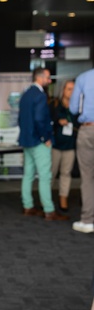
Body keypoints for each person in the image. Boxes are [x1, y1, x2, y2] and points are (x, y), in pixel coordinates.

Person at [18, 67, 69, 221]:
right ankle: (49, 210)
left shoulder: (26, 94)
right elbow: (40, 120)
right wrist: (45, 137)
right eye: (47, 77)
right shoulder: (40, 96)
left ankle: (28, 206)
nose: (49, 80)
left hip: (27, 140)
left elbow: (21, 119)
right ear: (40, 78)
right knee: (45, 176)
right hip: (39, 142)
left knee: (28, 175)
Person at [70, 67, 94, 233]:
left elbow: (73, 108)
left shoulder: (84, 78)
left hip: (88, 129)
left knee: (87, 177)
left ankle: (88, 220)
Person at [49, 79, 78, 212]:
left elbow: (80, 123)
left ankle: (63, 198)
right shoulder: (55, 104)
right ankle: (47, 198)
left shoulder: (77, 106)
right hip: (56, 144)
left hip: (70, 145)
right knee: (51, 173)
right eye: (68, 89)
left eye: (73, 89)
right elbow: (49, 121)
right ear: (63, 90)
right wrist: (58, 121)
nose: (71, 92)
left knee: (66, 173)